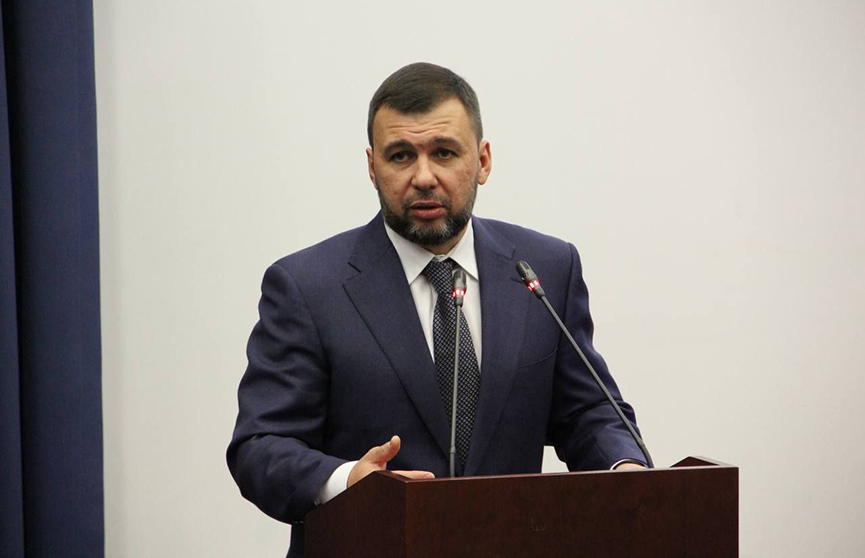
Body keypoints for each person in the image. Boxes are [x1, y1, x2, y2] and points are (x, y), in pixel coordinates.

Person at [227, 62, 646, 558]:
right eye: (401, 156)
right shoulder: (307, 287)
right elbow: (261, 445)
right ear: (372, 167)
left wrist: (625, 470)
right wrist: (346, 480)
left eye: (444, 153)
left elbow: (588, 410)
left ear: (483, 161)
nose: (423, 177)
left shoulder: (545, 270)